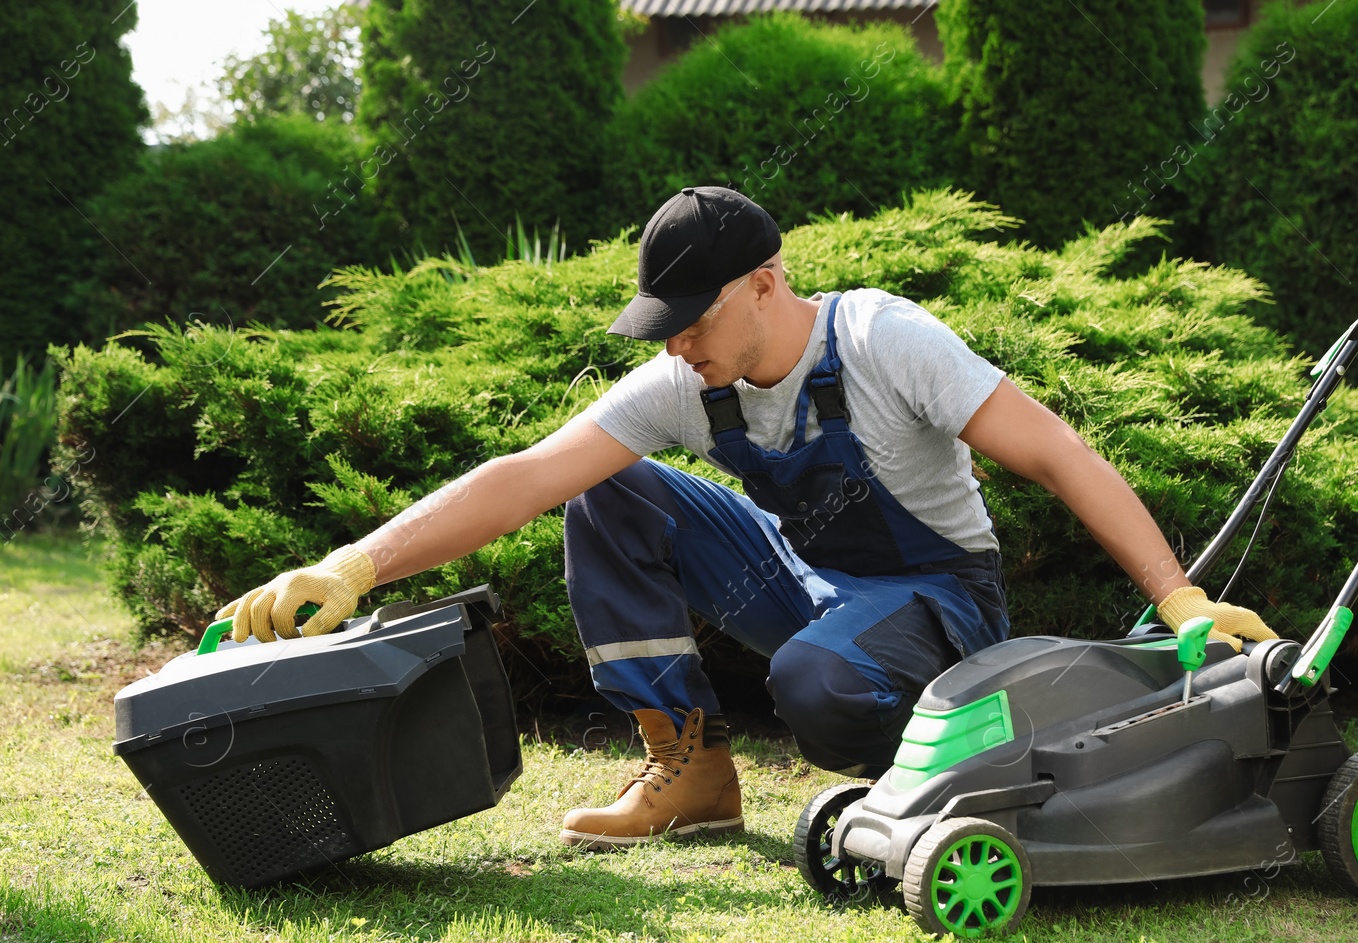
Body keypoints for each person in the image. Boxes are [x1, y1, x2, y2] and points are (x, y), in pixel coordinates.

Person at [215, 186, 1277, 851]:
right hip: (804, 578)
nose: (675, 344)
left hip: (937, 599)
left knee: (814, 681)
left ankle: (946, 784)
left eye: (693, 319)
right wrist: (354, 564)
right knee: (604, 482)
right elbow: (525, 473)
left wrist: (1174, 595)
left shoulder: (882, 339)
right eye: (662, 325)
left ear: (765, 282)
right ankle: (691, 769)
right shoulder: (690, 377)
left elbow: (1059, 453)